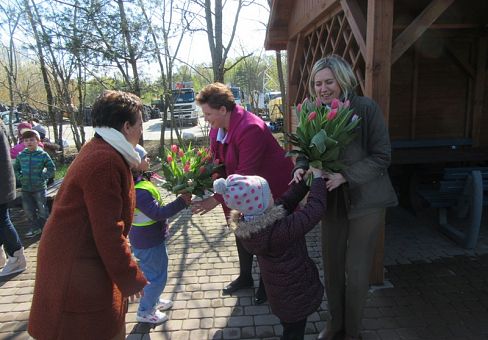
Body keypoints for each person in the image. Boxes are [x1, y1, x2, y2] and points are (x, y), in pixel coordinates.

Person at [292, 55, 398, 340]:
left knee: (357, 270)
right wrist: (301, 168)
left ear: (344, 80)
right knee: (332, 266)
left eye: (329, 81)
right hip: (332, 202)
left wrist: (346, 176)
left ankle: (353, 331)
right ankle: (334, 324)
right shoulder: (313, 111)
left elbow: (382, 156)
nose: (323, 89)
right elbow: (305, 150)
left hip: (367, 201)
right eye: (318, 84)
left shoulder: (365, 108)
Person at [28, 90, 148, 340]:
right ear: (126, 127)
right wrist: (129, 275)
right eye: (139, 124)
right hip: (77, 267)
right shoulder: (105, 161)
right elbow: (107, 229)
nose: (141, 130)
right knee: (93, 329)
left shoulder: (103, 149)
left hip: (84, 260)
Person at [191, 82, 294, 304]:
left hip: (270, 188)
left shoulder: (250, 128)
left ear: (222, 109)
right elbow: (216, 160)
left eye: (208, 113)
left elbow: (245, 174)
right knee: (241, 229)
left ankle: (268, 284)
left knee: (267, 237)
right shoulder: (217, 127)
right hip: (242, 190)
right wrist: (201, 178)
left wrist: (215, 199)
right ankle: (246, 277)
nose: (206, 118)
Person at [213, 171, 326, 340]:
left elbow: (286, 202)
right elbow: (314, 211)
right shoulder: (279, 231)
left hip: (280, 296)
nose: (273, 194)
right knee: (293, 334)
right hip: (295, 295)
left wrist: (304, 182)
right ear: (261, 204)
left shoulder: (255, 224)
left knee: (290, 328)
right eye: (269, 193)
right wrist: (318, 180)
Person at [130, 144, 191, 324]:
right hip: (147, 242)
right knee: (156, 278)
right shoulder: (140, 191)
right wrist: (181, 202)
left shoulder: (141, 181)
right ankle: (145, 311)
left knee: (155, 273)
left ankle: (153, 301)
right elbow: (157, 213)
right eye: (144, 157)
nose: (148, 159)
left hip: (149, 239)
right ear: (134, 163)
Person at [13, 129, 56, 238]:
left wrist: (43, 177)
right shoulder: (21, 155)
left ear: (37, 141)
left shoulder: (43, 154)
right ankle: (35, 228)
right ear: (23, 142)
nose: (29, 142)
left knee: (42, 209)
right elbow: (15, 169)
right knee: (28, 210)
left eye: (32, 140)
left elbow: (51, 168)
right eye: (26, 140)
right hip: (26, 188)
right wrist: (20, 177)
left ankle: (46, 229)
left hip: (39, 188)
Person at [0, 120, 26, 277]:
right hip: (3, 181)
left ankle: (17, 257)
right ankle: (5, 257)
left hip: (1, 182)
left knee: (2, 220)